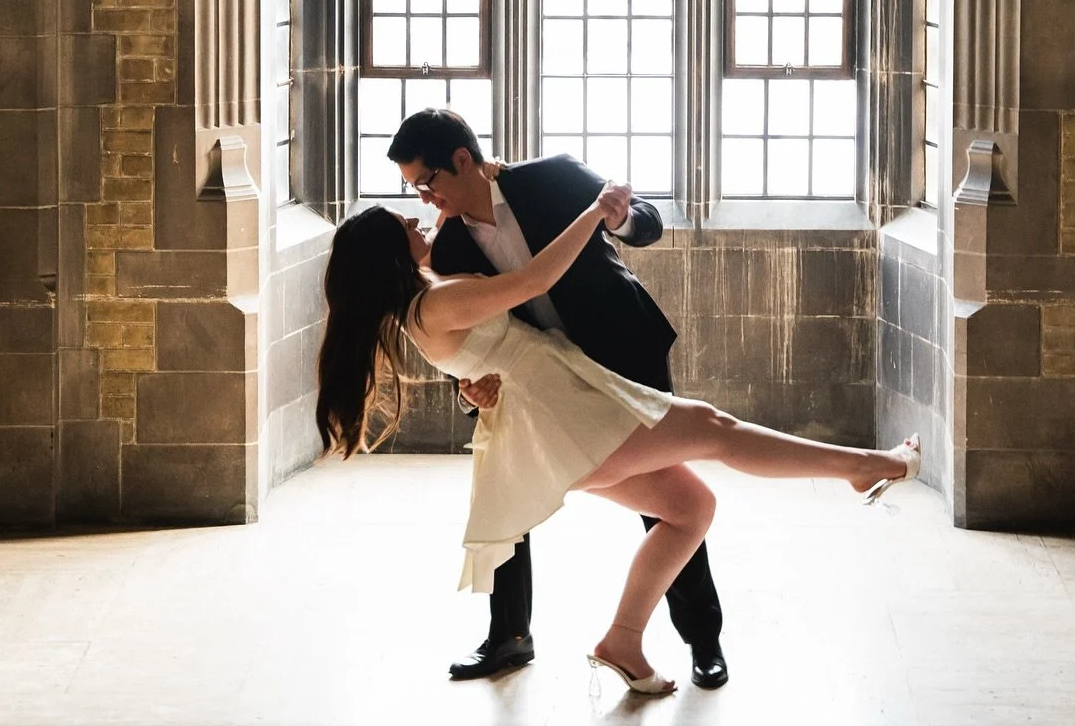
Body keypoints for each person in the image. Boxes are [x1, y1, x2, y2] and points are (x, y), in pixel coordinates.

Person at [315, 182, 921, 696]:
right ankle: (864, 466)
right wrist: (594, 211)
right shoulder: (436, 302)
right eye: (402, 223)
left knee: (691, 507)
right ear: (388, 253)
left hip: (560, 418)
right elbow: (535, 279)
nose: (416, 218)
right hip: (568, 418)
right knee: (716, 429)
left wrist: (478, 387)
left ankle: (623, 642)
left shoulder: (425, 300)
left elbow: (478, 356)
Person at [383, 108, 729, 689]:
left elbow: (645, 221)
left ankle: (703, 639)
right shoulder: (445, 250)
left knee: (667, 496)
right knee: (508, 484)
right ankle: (509, 638)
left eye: (427, 182)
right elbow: (464, 337)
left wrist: (619, 218)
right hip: (537, 382)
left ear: (462, 160)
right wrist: (470, 389)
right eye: (414, 188)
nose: (425, 199)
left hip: (625, 354)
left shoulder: (553, 177)